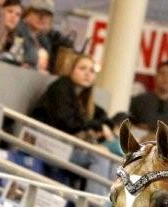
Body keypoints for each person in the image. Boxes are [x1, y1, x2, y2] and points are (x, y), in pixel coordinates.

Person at [30, 52, 113, 195]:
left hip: (63, 145)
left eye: (91, 71)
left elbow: (103, 116)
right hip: (43, 142)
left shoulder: (83, 98)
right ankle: (94, 205)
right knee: (99, 157)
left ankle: (108, 204)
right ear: (71, 70)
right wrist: (97, 127)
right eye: (82, 68)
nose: (87, 74)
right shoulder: (61, 87)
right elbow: (68, 124)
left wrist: (104, 126)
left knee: (114, 158)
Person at [14, 0, 53, 70]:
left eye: (47, 15)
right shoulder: (18, 30)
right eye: (38, 13)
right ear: (28, 13)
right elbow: (15, 55)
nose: (42, 18)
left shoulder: (45, 41)